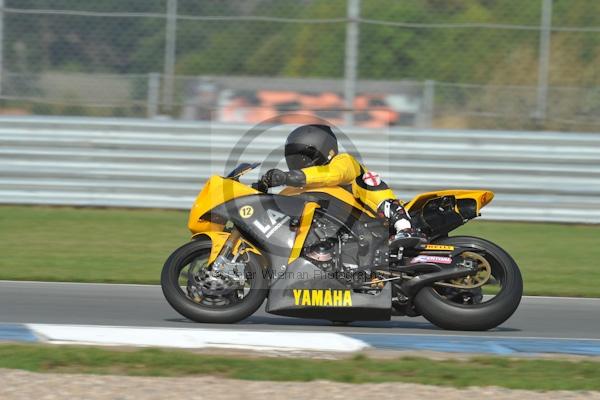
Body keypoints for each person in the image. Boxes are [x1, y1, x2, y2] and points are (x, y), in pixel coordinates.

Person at [262, 124, 424, 245]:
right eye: (292, 157)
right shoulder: (293, 189)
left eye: (302, 157)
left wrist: (290, 176)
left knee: (367, 180)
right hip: (342, 237)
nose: (297, 162)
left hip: (375, 222)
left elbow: (332, 175)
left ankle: (404, 226)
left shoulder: (343, 162)